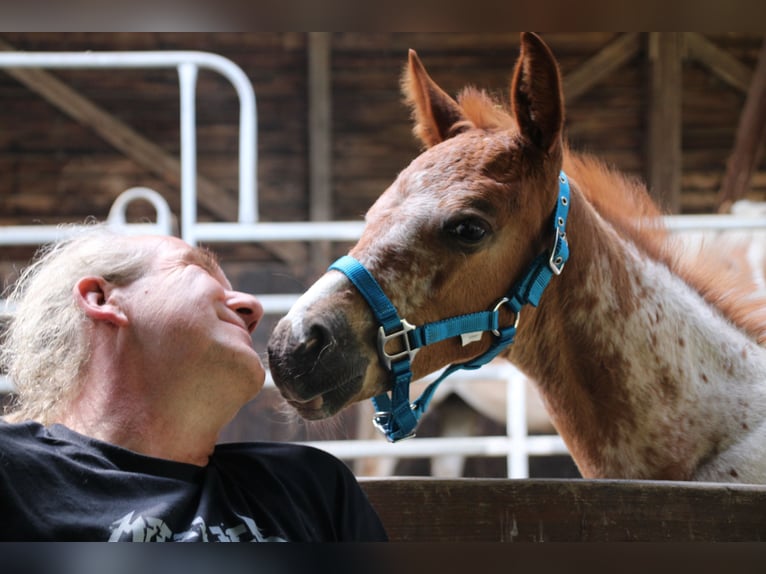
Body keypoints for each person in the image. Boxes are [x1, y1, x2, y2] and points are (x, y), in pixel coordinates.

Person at [0, 225, 387, 542]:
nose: (251, 306)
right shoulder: (12, 473)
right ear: (102, 297)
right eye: (201, 270)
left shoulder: (311, 487)